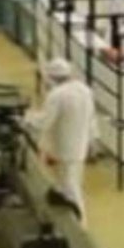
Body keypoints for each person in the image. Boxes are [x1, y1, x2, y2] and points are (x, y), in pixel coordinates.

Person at [28, 58, 96, 218]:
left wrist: (27, 118)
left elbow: (44, 122)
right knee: (70, 181)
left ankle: (79, 220)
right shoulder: (85, 90)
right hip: (80, 147)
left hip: (63, 148)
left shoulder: (57, 95)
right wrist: (92, 142)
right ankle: (65, 208)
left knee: (70, 187)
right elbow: (92, 119)